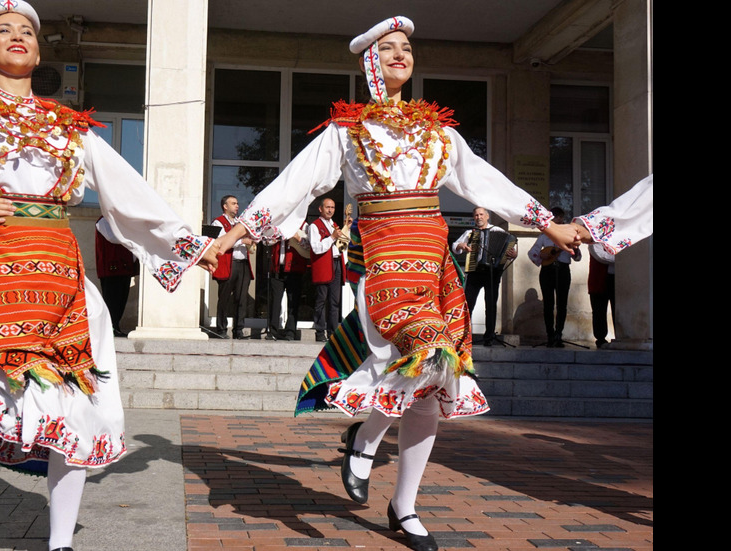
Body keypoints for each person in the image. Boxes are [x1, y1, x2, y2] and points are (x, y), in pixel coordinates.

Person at [212, 16, 585, 551]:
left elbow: (487, 182)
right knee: (430, 356)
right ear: (369, 60)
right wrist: (234, 234)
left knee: (436, 384)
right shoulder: (346, 131)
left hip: (434, 266)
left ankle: (403, 506)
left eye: (406, 47)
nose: (399, 54)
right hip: (386, 265)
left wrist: (550, 223)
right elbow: (289, 183)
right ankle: (364, 441)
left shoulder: (440, 133)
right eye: (387, 47)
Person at [0, 3, 218, 550]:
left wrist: (187, 246)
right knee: (17, 397)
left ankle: (60, 544)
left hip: (63, 284)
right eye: (2, 30)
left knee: (77, 411)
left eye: (27, 31)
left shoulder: (69, 126)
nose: (17, 36)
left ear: (37, 50)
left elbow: (128, 193)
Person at [451, 207, 517, 346]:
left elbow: (511, 248)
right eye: (476, 215)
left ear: (487, 216)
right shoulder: (470, 233)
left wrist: (513, 254)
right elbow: (454, 245)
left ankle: (489, 336)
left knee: (491, 304)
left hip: (493, 272)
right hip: (475, 270)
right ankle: (463, 337)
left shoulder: (499, 231)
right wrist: (461, 246)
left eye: (481, 214)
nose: (478, 217)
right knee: (468, 303)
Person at [528, 207, 583, 347]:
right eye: (556, 217)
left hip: (563, 270)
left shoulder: (569, 237)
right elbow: (532, 253)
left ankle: (559, 334)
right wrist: (541, 255)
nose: (559, 220)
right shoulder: (543, 237)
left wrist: (575, 250)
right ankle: (550, 335)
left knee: (562, 304)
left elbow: (578, 257)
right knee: (548, 304)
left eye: (561, 217)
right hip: (547, 271)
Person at [211, 195, 254, 338]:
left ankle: (238, 330)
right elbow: (221, 243)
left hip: (242, 264)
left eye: (237, 203)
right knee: (224, 298)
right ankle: (222, 330)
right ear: (225, 206)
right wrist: (242, 241)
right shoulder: (218, 222)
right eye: (233, 203)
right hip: (229, 264)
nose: (237, 206)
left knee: (241, 299)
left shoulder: (240, 223)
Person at [309, 198, 347, 342]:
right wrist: (332, 237)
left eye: (332, 207)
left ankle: (332, 334)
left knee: (334, 301)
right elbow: (316, 248)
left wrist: (345, 230)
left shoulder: (334, 225)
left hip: (336, 263)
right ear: (321, 209)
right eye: (327, 207)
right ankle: (319, 332)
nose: (330, 210)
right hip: (324, 265)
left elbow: (341, 246)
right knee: (321, 300)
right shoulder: (314, 226)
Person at [95, 216, 139, 337]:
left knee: (121, 300)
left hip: (124, 267)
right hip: (111, 267)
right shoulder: (103, 221)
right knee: (112, 299)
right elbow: (113, 238)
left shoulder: (120, 222)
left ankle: (115, 326)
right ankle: (110, 327)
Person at [266, 220, 309, 341]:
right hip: (277, 268)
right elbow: (265, 241)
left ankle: (290, 331)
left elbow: (310, 246)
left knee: (293, 301)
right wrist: (276, 236)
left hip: (294, 269)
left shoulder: (303, 225)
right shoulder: (277, 223)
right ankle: (272, 331)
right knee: (275, 301)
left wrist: (297, 238)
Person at [587, 248, 615, 348]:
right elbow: (601, 256)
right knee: (599, 309)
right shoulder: (594, 241)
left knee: (618, 308)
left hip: (615, 277)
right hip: (599, 278)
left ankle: (621, 336)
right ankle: (600, 338)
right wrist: (620, 258)